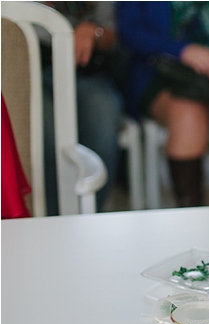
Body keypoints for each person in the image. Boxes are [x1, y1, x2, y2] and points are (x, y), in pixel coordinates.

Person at [117, 2, 209, 207]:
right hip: (161, 73)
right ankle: (191, 215)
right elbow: (130, 30)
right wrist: (181, 50)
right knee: (188, 116)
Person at [40, 1, 124, 214]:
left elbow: (115, 37)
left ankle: (91, 212)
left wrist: (92, 31)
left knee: (103, 110)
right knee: (45, 124)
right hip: (34, 73)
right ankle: (51, 215)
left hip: (87, 73)